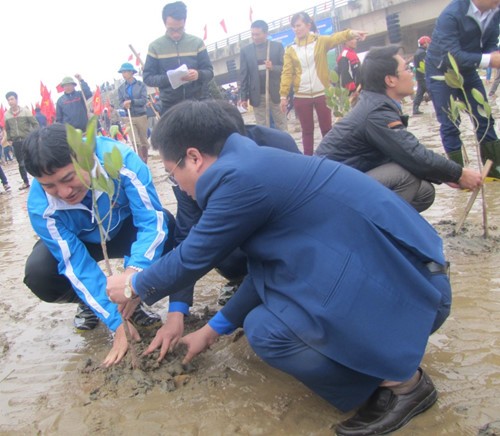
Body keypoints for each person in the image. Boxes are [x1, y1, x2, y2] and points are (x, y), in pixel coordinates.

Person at [107, 99, 452, 435]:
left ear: (194, 158)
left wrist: (131, 286)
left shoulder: (238, 180)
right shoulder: (253, 162)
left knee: (268, 332)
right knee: (266, 313)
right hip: (417, 280)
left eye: (171, 173)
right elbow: (265, 271)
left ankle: (403, 384)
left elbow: (192, 257)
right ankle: (386, 367)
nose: (177, 185)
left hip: (416, 290)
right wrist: (210, 332)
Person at [145, 100, 301, 356]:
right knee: (218, 249)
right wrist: (177, 311)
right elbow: (188, 236)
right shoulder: (187, 170)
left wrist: (134, 286)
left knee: (265, 324)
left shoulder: (276, 146)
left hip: (288, 248)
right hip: (242, 248)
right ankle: (243, 282)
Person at [23, 123, 176, 367]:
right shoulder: (41, 208)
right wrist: (116, 324)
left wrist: (133, 277)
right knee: (39, 272)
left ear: (85, 157)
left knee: (168, 228)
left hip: (124, 227)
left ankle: (133, 301)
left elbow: (150, 222)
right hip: (82, 241)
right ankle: (93, 304)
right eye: (49, 186)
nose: (63, 192)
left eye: (68, 178)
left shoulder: (121, 162)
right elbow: (76, 263)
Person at [316, 45, 482, 212]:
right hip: (330, 194)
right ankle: (377, 231)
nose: (411, 73)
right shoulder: (377, 112)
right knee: (406, 177)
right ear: (390, 80)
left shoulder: (375, 103)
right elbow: (413, 153)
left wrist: (444, 175)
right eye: (406, 69)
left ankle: (385, 227)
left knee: (424, 192)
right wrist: (459, 174)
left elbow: (403, 152)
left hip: (343, 184)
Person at [425, 0, 500, 178]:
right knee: (450, 121)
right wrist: (490, 60)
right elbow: (451, 55)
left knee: (484, 116)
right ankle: (457, 175)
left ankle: (494, 169)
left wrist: (494, 53)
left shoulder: (494, 11)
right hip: (441, 69)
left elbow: (490, 41)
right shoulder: (450, 15)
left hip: (468, 69)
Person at [279, 12, 367, 155]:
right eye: (294, 27)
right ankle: (308, 159)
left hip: (322, 93)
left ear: (308, 25)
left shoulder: (320, 42)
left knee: (327, 129)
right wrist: (283, 95)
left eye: (299, 25)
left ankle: (331, 156)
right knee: (307, 131)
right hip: (301, 95)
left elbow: (336, 38)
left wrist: (352, 33)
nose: (296, 29)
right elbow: (287, 73)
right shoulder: (290, 49)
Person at [143, 1, 214, 115]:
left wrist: (198, 74)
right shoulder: (155, 47)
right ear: (164, 23)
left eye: (180, 29)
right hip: (171, 107)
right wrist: (170, 79)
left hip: (198, 103)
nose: (176, 34)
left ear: (185, 22)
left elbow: (209, 72)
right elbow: (148, 78)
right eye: (171, 29)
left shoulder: (197, 43)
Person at [239, 20, 287, 131]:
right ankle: (268, 148)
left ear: (266, 34)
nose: (254, 37)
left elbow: (286, 69)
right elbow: (244, 75)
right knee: (262, 128)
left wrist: (273, 67)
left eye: (257, 34)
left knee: (281, 125)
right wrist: (243, 97)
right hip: (257, 96)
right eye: (252, 34)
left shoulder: (277, 47)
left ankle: (285, 147)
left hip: (276, 93)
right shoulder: (246, 51)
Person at [4, 91, 39, 190]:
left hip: (27, 139)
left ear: (16, 99)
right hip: (16, 142)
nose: (10, 101)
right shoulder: (7, 115)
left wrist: (34, 135)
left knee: (32, 159)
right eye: (8, 100)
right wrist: (10, 139)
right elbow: (7, 129)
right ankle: (25, 181)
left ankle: (39, 179)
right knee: (21, 163)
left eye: (12, 99)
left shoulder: (25, 111)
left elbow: (35, 124)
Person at [117, 62, 150, 163]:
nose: (124, 74)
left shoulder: (141, 85)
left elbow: (144, 100)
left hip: (141, 116)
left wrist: (132, 102)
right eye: (122, 72)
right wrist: (124, 104)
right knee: (135, 141)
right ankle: (140, 162)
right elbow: (120, 102)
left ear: (131, 72)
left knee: (144, 141)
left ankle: (145, 160)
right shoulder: (121, 88)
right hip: (129, 117)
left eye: (125, 71)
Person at [412, 35, 431, 115]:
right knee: (432, 91)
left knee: (420, 93)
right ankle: (443, 107)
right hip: (423, 76)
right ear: (425, 44)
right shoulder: (422, 53)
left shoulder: (417, 52)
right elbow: (425, 64)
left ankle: (415, 108)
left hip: (419, 76)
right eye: (429, 43)